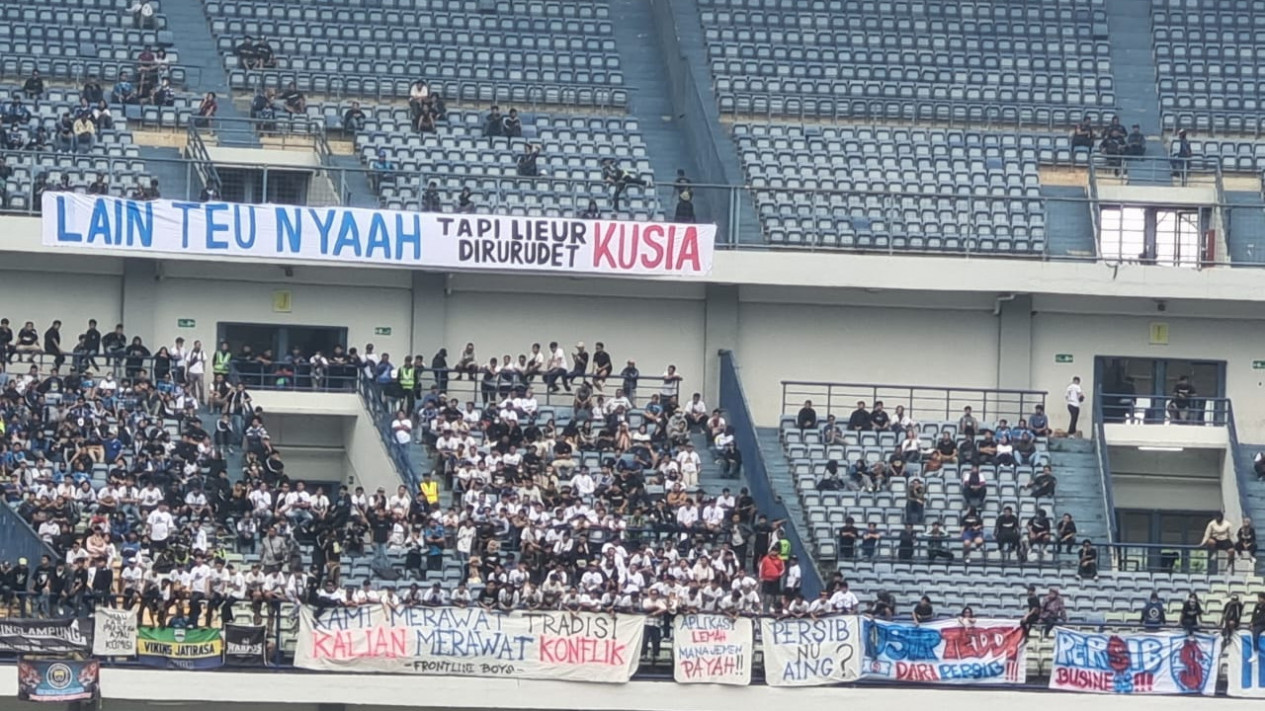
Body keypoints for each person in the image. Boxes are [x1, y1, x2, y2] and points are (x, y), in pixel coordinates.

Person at [1249, 592, 1265, 661]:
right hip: (1256, 623)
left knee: (1255, 634)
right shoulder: (1257, 605)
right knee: (1251, 630)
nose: (1258, 599)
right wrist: (1251, 622)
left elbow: (1263, 619)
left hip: (1263, 624)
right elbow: (1254, 615)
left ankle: (1255, 653)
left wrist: (1254, 624)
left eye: (1260, 598)